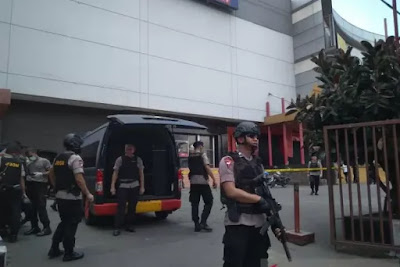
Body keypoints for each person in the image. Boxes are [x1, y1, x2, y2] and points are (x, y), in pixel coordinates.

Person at [219, 122, 281, 267]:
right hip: (238, 223)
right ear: (240, 139)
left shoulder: (258, 164)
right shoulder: (228, 161)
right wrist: (257, 199)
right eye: (251, 136)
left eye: (257, 136)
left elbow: (266, 193)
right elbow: (230, 191)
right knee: (234, 263)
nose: (256, 139)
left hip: (259, 225)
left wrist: (275, 223)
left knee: (260, 261)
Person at [48, 133, 94, 262]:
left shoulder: (58, 157)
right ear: (75, 145)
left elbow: (51, 174)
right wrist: (88, 194)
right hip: (72, 198)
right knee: (71, 224)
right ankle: (69, 253)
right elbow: (79, 179)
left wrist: (56, 187)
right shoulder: (75, 158)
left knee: (64, 222)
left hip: (60, 197)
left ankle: (54, 249)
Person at [110, 144, 145, 236]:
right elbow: (115, 173)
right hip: (123, 185)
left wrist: (142, 187)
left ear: (134, 150)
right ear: (125, 150)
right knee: (120, 207)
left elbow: (141, 174)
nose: (128, 150)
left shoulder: (138, 159)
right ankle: (117, 227)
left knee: (132, 207)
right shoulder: (120, 159)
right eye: (127, 149)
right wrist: (112, 187)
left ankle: (129, 225)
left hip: (134, 185)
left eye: (130, 149)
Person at [188, 141, 217, 232]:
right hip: (203, 181)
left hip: (193, 182)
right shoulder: (202, 155)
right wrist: (214, 179)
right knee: (209, 201)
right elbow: (207, 168)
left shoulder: (190, 156)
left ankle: (196, 224)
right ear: (200, 146)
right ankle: (203, 222)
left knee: (194, 203)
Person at [0, 142, 26, 243]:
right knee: (15, 212)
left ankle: (2, 230)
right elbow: (21, 179)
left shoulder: (1, 160)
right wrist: (24, 193)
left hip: (3, 189)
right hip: (16, 190)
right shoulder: (19, 162)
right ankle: (14, 235)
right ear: (15, 152)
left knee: (2, 210)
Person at [24, 148, 52, 236]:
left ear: (35, 153)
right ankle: (34, 227)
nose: (30, 157)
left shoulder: (44, 161)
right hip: (30, 184)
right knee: (31, 207)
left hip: (41, 185)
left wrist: (42, 174)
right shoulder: (28, 162)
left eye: (31, 155)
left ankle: (46, 227)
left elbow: (51, 171)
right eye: (28, 156)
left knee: (41, 207)